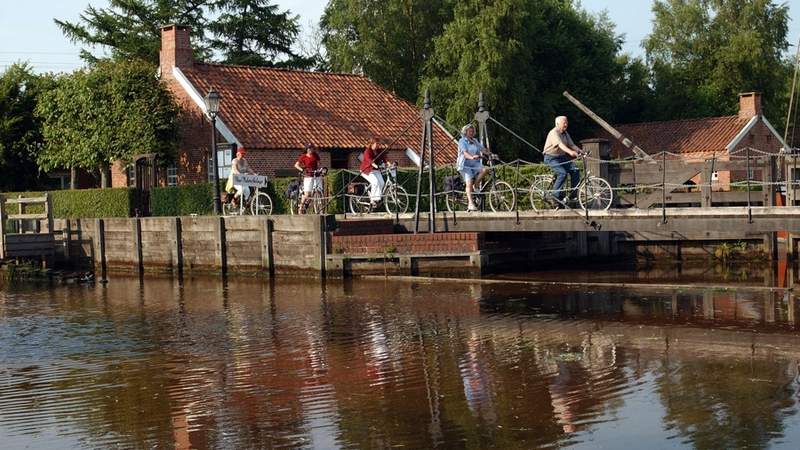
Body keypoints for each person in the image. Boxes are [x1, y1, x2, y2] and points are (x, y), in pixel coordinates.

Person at [543, 116, 583, 206]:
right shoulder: (553, 133)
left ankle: (573, 195)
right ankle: (553, 196)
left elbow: (572, 145)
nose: (566, 124)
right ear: (557, 124)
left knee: (575, 170)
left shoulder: (565, 133)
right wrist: (570, 152)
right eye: (564, 122)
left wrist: (581, 151)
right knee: (562, 173)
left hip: (561, 157)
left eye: (566, 122)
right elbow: (560, 145)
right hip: (551, 158)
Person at [457, 124, 489, 211]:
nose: (471, 133)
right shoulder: (462, 141)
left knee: (485, 169)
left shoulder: (474, 140)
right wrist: (472, 157)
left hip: (474, 163)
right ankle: (470, 204)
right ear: (465, 132)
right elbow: (465, 153)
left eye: (472, 131)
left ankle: (476, 185)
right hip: (464, 164)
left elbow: (482, 149)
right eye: (469, 131)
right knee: (469, 182)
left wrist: (491, 154)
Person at [359, 139, 393, 209]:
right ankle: (373, 200)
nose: (378, 145)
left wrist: (389, 164)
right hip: (366, 170)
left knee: (382, 183)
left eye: (379, 144)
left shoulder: (378, 150)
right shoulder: (367, 151)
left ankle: (377, 199)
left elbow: (384, 157)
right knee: (375, 182)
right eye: (377, 144)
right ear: (372, 144)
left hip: (375, 170)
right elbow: (369, 160)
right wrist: (376, 165)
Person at [294, 143, 322, 213]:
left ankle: (319, 208)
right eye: (309, 148)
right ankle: (301, 207)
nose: (311, 150)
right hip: (308, 176)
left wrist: (320, 169)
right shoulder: (303, 156)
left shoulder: (315, 155)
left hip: (316, 174)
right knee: (307, 194)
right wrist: (302, 170)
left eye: (312, 148)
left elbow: (319, 164)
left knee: (318, 191)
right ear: (306, 149)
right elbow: (296, 165)